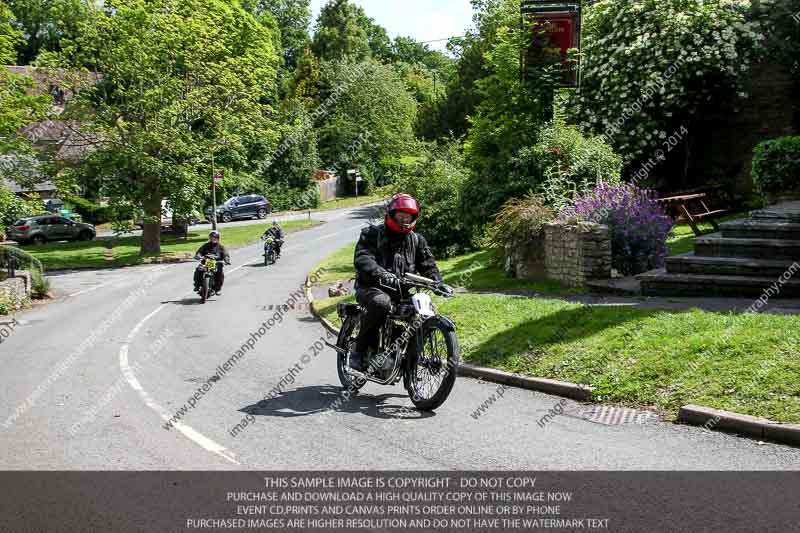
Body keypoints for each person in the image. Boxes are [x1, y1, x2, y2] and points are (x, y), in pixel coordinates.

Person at [351, 193, 442, 372]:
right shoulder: (372, 233)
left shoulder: (417, 240)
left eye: (408, 215)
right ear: (392, 214)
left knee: (425, 312)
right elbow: (362, 258)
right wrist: (380, 273)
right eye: (401, 214)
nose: (405, 219)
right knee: (382, 304)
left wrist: (438, 282)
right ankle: (359, 351)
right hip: (370, 287)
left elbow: (428, 265)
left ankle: (402, 357)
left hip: (401, 293)